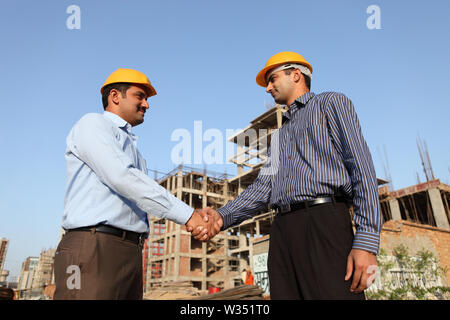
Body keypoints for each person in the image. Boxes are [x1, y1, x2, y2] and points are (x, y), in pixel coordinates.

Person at [194, 52, 381, 300]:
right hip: (282, 230)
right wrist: (220, 216)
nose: (268, 88)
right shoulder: (280, 137)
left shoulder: (331, 103)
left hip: (324, 222)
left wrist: (366, 241)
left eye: (272, 79)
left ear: (296, 74)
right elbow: (263, 189)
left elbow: (361, 166)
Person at [54, 68, 218, 300]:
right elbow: (123, 177)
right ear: (115, 96)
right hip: (93, 247)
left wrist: (193, 214)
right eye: (140, 96)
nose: (146, 105)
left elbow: (137, 190)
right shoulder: (92, 124)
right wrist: (189, 216)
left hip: (130, 251)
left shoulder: (136, 153)